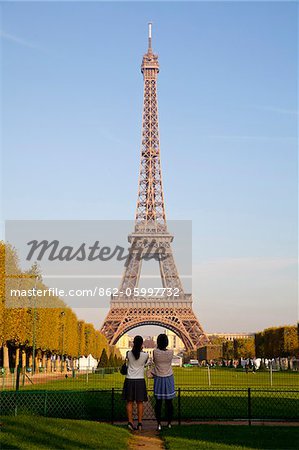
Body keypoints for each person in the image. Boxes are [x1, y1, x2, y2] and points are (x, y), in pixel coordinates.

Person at [122, 335, 149, 431]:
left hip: (129, 380)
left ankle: (130, 422)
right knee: (140, 403)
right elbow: (145, 363)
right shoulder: (146, 355)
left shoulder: (128, 353)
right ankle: (140, 423)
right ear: (142, 344)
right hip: (140, 380)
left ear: (133, 343)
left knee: (129, 402)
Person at [153, 333, 175, 431]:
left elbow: (154, 360)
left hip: (159, 378)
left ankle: (159, 424)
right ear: (167, 342)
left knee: (158, 403)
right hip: (169, 378)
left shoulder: (155, 352)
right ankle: (169, 423)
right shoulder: (171, 352)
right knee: (169, 403)